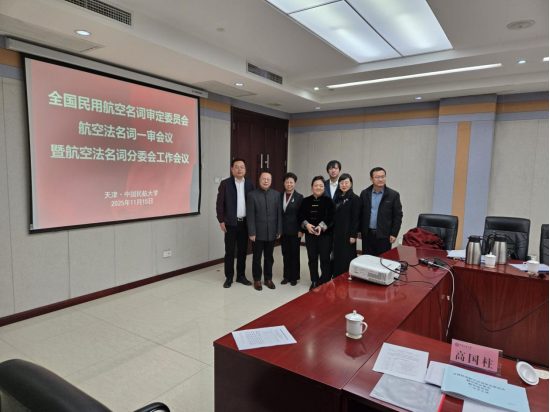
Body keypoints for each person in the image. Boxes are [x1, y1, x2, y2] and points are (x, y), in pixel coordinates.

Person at [216, 158, 255, 289]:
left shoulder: (250, 184)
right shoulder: (225, 184)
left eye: (242, 167)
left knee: (243, 251)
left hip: (245, 223)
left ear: (245, 169)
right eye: (236, 167)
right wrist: (221, 220)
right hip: (230, 223)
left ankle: (241, 276)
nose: (239, 169)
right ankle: (229, 277)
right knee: (230, 251)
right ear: (232, 169)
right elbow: (220, 203)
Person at [247, 172, 283, 291]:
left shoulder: (276, 194)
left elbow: (279, 213)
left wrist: (278, 229)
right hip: (257, 233)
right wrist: (251, 232)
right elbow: (250, 215)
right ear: (259, 180)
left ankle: (268, 279)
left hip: (271, 232)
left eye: (268, 179)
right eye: (263, 179)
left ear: (271, 181)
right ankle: (257, 279)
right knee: (257, 258)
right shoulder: (252, 195)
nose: (266, 181)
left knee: (269, 257)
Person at [299, 176, 335, 291]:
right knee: (312, 258)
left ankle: (325, 280)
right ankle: (314, 280)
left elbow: (331, 217)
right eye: (316, 185)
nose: (318, 187)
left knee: (325, 259)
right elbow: (300, 215)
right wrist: (307, 225)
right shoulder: (305, 201)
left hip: (325, 235)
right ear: (312, 187)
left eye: (321, 185)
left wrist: (320, 227)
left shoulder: (328, 201)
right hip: (310, 235)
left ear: (324, 187)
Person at [359, 167, 403, 257]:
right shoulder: (364, 193)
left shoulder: (393, 195)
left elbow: (397, 216)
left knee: (382, 261)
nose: (380, 179)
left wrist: (394, 233)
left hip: (384, 236)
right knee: (367, 260)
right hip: (367, 235)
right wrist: (359, 230)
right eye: (377, 177)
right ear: (371, 179)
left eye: (383, 177)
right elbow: (360, 213)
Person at [332, 174, 361, 278]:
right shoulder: (337, 198)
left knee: (347, 255)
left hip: (348, 233)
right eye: (341, 183)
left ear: (351, 184)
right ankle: (336, 276)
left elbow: (356, 218)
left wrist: (353, 235)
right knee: (337, 255)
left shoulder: (355, 198)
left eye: (346, 182)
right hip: (337, 232)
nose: (344, 185)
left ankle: (347, 277)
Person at [280, 173, 304, 286]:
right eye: (287, 182)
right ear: (284, 183)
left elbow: (301, 215)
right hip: (283, 230)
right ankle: (286, 276)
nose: (289, 184)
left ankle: (294, 277)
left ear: (294, 183)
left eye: (291, 182)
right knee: (285, 253)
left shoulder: (299, 197)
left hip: (295, 231)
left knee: (295, 254)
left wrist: (301, 230)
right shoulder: (280, 196)